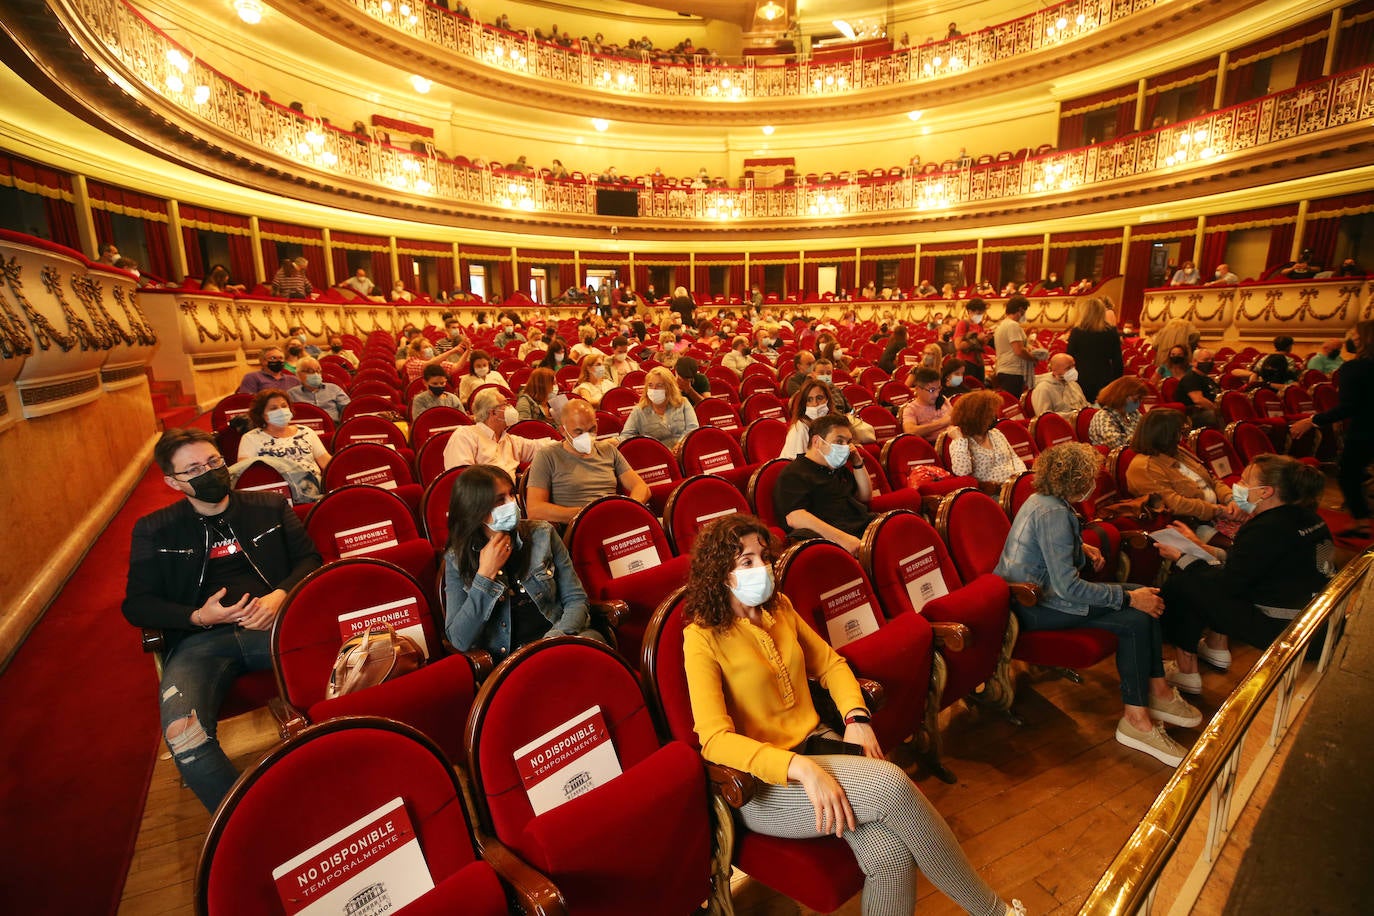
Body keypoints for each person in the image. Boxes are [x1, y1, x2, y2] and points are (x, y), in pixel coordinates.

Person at [682, 514, 1023, 916]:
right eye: (747, 562)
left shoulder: (781, 608)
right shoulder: (701, 637)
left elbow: (830, 665)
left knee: (891, 856)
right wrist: (801, 769)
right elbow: (715, 739)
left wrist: (856, 718)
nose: (763, 569)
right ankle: (994, 912)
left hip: (818, 745)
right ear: (720, 574)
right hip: (764, 785)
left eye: (764, 557)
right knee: (893, 784)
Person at [122, 428, 321, 811]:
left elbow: (310, 560)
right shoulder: (153, 529)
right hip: (202, 643)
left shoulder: (269, 506)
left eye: (214, 462)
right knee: (185, 736)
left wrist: (279, 597)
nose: (209, 472)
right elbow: (137, 605)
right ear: (172, 481)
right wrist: (197, 616)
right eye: (194, 468)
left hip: (274, 627)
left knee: (353, 668)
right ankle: (250, 821)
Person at [994, 443, 1200, 766]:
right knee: (1137, 615)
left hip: (1046, 596)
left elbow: (1053, 557)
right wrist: (1128, 598)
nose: (1094, 483)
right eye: (1089, 477)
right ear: (1075, 480)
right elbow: (1067, 586)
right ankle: (1136, 720)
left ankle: (1158, 691)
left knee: (1148, 596)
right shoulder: (1052, 513)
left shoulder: (1046, 500)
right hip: (1034, 607)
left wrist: (1082, 549)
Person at [1156, 455, 1334, 695]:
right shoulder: (1307, 517)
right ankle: (1214, 649)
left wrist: (1182, 557)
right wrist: (1200, 546)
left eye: (1244, 480)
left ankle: (1187, 671)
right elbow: (1255, 563)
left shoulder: (1266, 528)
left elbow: (1227, 583)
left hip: (1290, 632)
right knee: (1196, 576)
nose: (1237, 485)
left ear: (1265, 492)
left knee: (1183, 583)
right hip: (1320, 624)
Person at [442, 465, 604, 661]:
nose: (513, 503)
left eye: (512, 494)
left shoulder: (543, 533)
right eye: (500, 500)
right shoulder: (456, 558)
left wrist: (553, 641)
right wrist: (485, 576)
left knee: (594, 648)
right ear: (476, 509)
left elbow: (576, 599)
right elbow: (459, 639)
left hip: (560, 639)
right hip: (512, 661)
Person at [1293, 320, 1374, 538]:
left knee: (1348, 474)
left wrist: (1311, 421)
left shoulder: (1353, 368)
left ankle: (1362, 522)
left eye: (1354, 334)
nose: (1350, 338)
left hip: (1365, 431)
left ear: (1363, 340)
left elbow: (1348, 407)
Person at [525, 400, 650, 523]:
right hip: (580, 527)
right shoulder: (547, 456)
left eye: (591, 430)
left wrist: (627, 510)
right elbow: (535, 510)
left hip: (615, 520)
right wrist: (589, 514)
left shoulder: (608, 450)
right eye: (578, 432)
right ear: (563, 431)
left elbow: (641, 487)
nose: (586, 436)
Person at [773, 413, 875, 554]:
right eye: (839, 442)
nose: (846, 447)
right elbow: (794, 517)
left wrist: (858, 462)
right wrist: (843, 539)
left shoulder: (836, 469)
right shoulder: (793, 473)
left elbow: (865, 496)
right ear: (816, 442)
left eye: (848, 442)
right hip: (833, 543)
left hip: (862, 528)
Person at [1126, 409, 1243, 529]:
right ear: (1165, 435)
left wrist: (1231, 500)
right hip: (1192, 525)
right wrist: (1217, 510)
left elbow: (1212, 480)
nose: (1182, 437)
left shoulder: (1177, 451)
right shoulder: (1144, 467)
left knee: (1256, 518)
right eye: (1179, 432)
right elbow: (1175, 505)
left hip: (1219, 512)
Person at [237, 389, 332, 489]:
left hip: (314, 488)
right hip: (278, 493)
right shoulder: (250, 438)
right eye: (273, 408)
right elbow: (245, 474)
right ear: (261, 414)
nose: (281, 411)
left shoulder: (306, 431)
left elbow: (327, 463)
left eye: (284, 406)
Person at [443, 389, 542, 480]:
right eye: (505, 404)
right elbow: (462, 480)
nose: (511, 407)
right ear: (493, 412)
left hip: (510, 497)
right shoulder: (465, 435)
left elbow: (538, 447)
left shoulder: (509, 440)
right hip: (481, 497)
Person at [947, 390, 1026, 485]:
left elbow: (1014, 458)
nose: (995, 416)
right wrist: (960, 440)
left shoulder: (996, 433)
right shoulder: (960, 443)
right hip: (992, 493)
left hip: (1013, 486)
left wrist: (1021, 479)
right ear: (977, 417)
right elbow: (962, 472)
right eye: (990, 413)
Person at [619, 366, 699, 448]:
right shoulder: (639, 410)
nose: (654, 389)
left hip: (682, 451)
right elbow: (626, 435)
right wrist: (616, 441)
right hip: (655, 455)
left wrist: (680, 445)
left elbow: (692, 428)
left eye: (659, 385)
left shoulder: (683, 403)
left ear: (669, 387)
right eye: (650, 385)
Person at [1064, 297, 1122, 404]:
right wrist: (1116, 383)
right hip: (1105, 378)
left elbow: (1069, 357)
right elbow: (1117, 361)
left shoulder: (1077, 332)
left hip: (1081, 378)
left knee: (1083, 412)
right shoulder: (1111, 332)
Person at [780, 379, 838, 459]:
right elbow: (797, 465)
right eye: (809, 400)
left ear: (827, 400)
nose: (815, 404)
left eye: (819, 398)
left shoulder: (832, 422)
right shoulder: (800, 428)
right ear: (804, 404)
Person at [993, 296, 1038, 395]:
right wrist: (1033, 358)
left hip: (1003, 368)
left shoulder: (1002, 325)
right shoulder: (1013, 325)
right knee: (1012, 403)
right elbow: (1019, 350)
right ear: (1020, 310)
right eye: (1025, 311)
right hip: (1013, 371)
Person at [1088, 376, 1148, 450]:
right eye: (1136, 399)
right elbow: (1116, 443)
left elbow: (1146, 431)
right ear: (1122, 396)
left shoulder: (1133, 413)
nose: (1139, 403)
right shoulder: (1103, 416)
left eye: (1141, 399)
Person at [1170, 347, 1221, 429]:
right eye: (1206, 360)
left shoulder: (1206, 378)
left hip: (1207, 411)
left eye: (1211, 360)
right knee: (1218, 416)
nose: (1210, 363)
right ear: (1194, 362)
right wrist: (1218, 410)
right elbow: (1198, 400)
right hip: (1193, 415)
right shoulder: (1191, 378)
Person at [286, 356, 350, 423]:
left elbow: (348, 410)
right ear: (298, 374)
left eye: (318, 371)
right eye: (310, 371)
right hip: (306, 429)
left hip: (332, 427)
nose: (315, 374)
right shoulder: (291, 394)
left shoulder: (334, 389)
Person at [901, 367, 952, 441]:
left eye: (938, 389)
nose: (936, 394)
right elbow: (910, 431)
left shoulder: (942, 399)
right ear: (918, 389)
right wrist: (941, 423)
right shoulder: (911, 408)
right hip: (932, 447)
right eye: (932, 390)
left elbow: (955, 418)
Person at [399, 333, 469, 383]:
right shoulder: (411, 362)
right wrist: (453, 351)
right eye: (426, 347)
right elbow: (428, 365)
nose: (429, 349)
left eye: (430, 347)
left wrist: (468, 350)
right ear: (417, 351)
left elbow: (456, 367)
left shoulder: (436, 362)